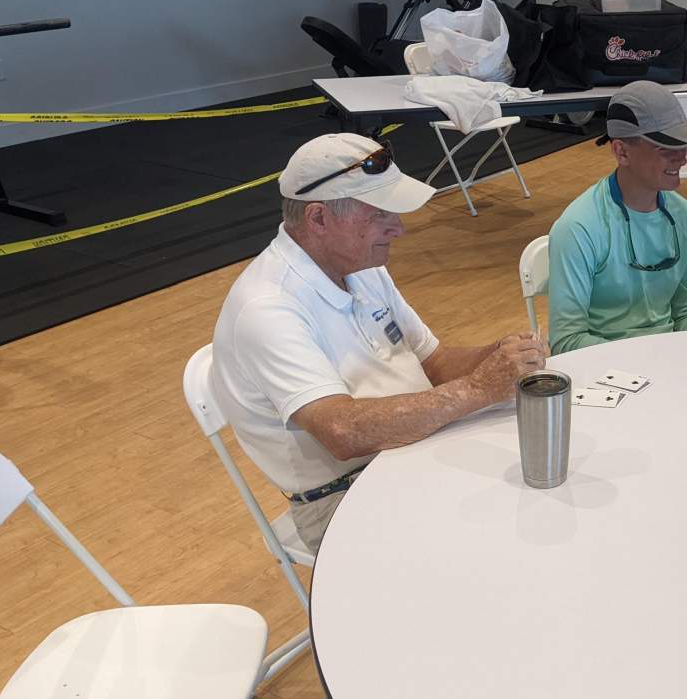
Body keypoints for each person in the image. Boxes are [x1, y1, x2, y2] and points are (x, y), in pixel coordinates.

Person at [212, 133, 546, 552]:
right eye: (379, 214)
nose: (399, 228)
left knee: (530, 486)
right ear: (318, 218)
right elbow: (342, 432)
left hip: (410, 447)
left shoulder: (361, 263)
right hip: (341, 494)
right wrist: (478, 388)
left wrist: (499, 356)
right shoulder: (266, 308)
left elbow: (435, 362)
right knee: (501, 527)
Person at [548, 81, 687, 353]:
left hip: (666, 362)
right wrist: (642, 362)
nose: (682, 159)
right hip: (603, 370)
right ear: (621, 151)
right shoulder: (578, 228)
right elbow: (566, 341)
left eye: (683, 145)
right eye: (665, 148)